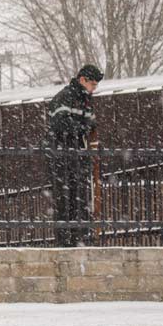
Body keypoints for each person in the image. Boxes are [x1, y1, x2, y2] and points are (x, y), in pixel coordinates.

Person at [46, 64, 103, 247]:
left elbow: (89, 123)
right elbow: (60, 124)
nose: (94, 88)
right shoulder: (65, 97)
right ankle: (65, 242)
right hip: (62, 156)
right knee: (65, 199)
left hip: (78, 157)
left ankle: (79, 239)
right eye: (92, 84)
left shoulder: (86, 100)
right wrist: (84, 127)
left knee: (79, 198)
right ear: (82, 80)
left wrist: (89, 126)